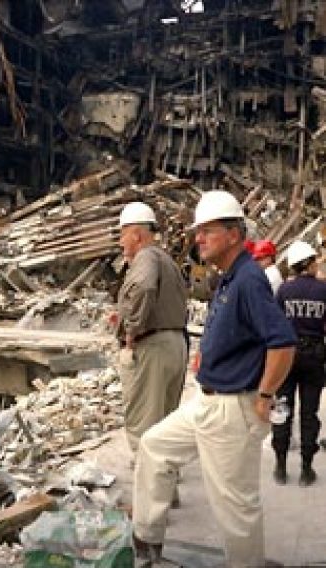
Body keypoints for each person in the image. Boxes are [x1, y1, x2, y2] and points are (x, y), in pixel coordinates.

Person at [132, 191, 296, 567]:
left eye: (207, 231)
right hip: (206, 402)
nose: (198, 238)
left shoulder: (249, 280)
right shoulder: (229, 279)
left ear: (234, 234)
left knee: (235, 507)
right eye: (198, 231)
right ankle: (147, 544)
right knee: (154, 447)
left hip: (231, 410)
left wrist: (266, 396)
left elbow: (283, 343)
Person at [115, 202, 188, 454]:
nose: (120, 242)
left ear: (136, 234)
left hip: (152, 349)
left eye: (122, 234)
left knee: (144, 427)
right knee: (166, 426)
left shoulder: (145, 257)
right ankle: (166, 489)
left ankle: (148, 489)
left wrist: (130, 333)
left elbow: (144, 288)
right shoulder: (165, 259)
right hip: (176, 345)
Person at [273, 241, 326, 486]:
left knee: (282, 408)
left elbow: (274, 325)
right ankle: (306, 469)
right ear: (308, 262)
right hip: (314, 355)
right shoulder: (323, 290)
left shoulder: (284, 291)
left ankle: (281, 466)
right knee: (309, 412)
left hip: (287, 354)